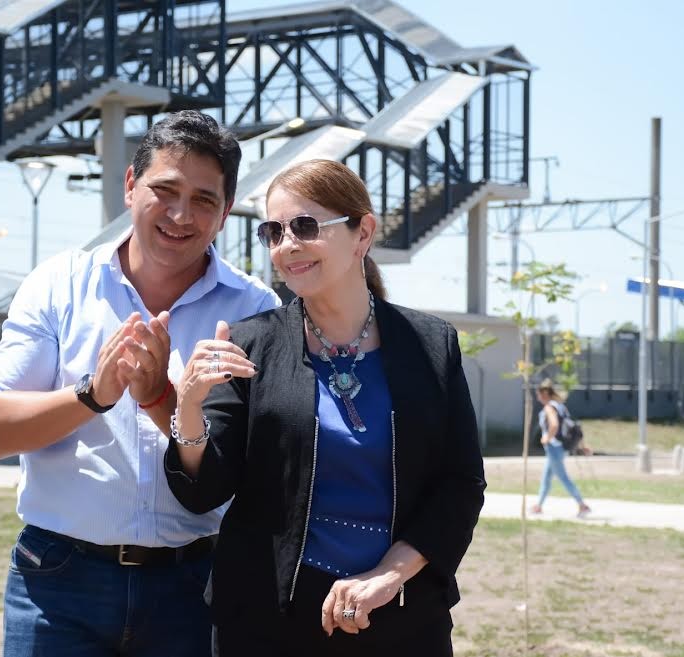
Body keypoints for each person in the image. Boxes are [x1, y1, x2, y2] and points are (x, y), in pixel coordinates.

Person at [0, 110, 279, 657]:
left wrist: (161, 398)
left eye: (204, 199)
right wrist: (94, 395)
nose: (181, 214)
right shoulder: (60, 285)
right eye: (166, 190)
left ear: (226, 211)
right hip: (59, 581)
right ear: (131, 185)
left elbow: (251, 466)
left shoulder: (254, 309)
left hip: (194, 585)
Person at [164, 159, 486, 656]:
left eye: (305, 226)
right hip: (266, 622)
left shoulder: (431, 344)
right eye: (274, 232)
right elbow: (203, 489)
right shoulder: (250, 345)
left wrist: (389, 574)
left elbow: (460, 484)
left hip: (401, 615)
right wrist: (188, 408)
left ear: (363, 233)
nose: (287, 244)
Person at [530, 379, 591, 517]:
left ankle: (582, 505)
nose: (538, 398)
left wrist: (546, 438)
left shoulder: (549, 408)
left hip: (554, 448)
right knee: (546, 477)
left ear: (545, 394)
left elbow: (554, 425)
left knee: (563, 477)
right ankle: (538, 506)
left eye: (538, 395)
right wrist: (582, 445)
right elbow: (572, 426)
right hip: (561, 448)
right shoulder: (560, 406)